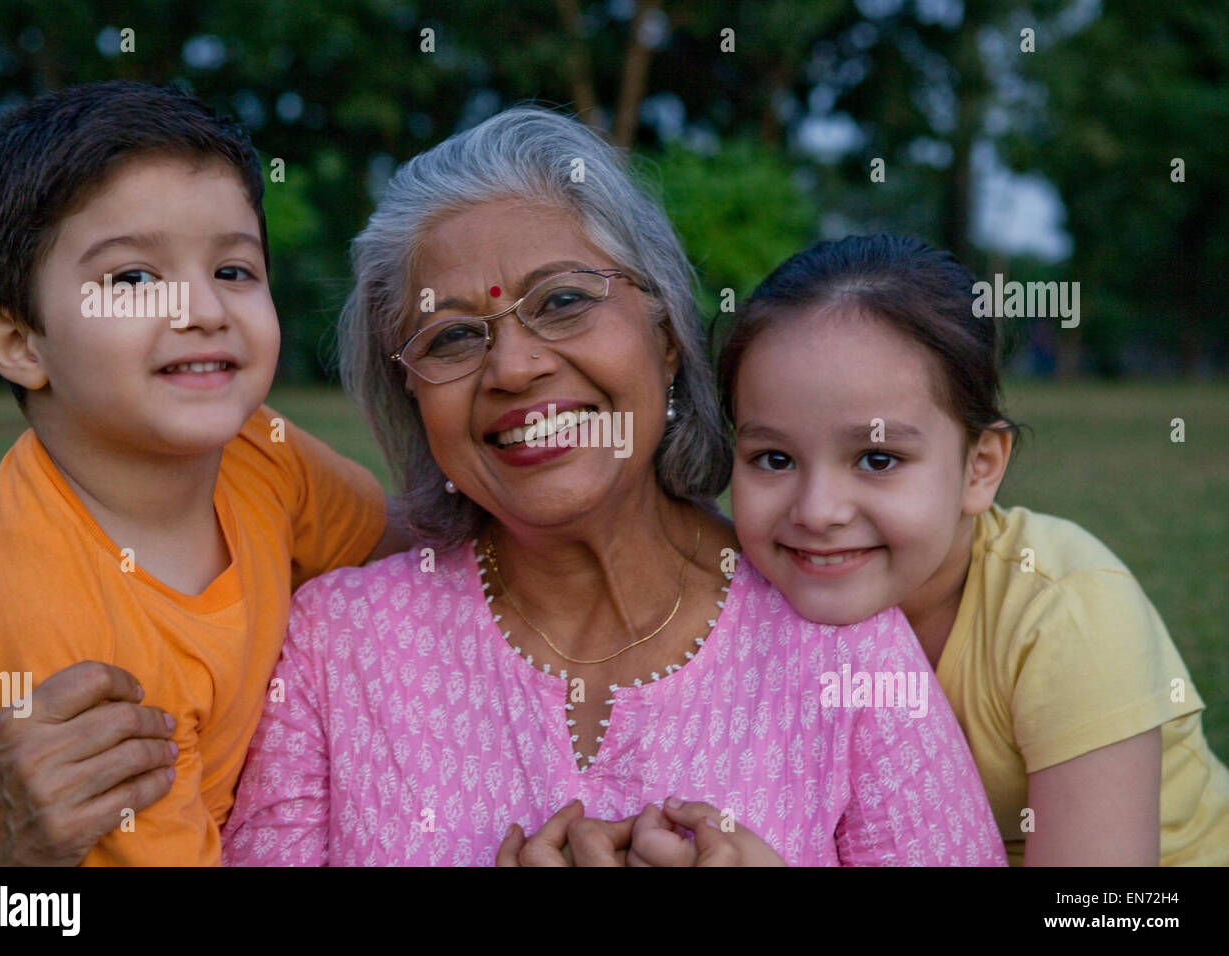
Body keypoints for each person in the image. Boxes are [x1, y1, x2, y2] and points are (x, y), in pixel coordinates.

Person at [221, 107, 1006, 866]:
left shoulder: (839, 630)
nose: (515, 368)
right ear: (412, 399)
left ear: (665, 337)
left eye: (562, 301)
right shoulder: (337, 648)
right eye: (453, 336)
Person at [0, 81, 406, 866]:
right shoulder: (57, 624)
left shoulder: (260, 450)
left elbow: (402, 546)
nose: (204, 310)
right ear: (19, 342)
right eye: (133, 279)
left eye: (233, 270)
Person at [718, 233, 1229, 865]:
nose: (818, 511)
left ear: (980, 467)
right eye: (773, 458)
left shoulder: (1065, 614)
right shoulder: (733, 606)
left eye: (878, 459)